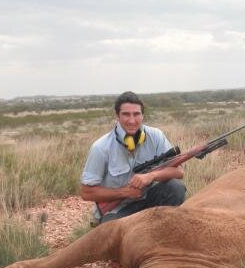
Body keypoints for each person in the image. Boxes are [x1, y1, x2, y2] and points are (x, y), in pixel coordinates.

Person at [80, 91, 186, 224]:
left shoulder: (156, 136)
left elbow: (179, 171)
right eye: (126, 114)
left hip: (149, 199)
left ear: (143, 115)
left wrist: (150, 176)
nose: (132, 120)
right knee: (114, 233)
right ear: (117, 116)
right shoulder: (100, 148)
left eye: (136, 114)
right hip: (119, 208)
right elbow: (86, 192)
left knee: (176, 188)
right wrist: (125, 193)